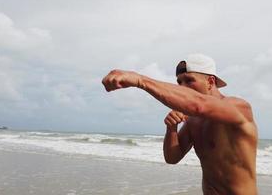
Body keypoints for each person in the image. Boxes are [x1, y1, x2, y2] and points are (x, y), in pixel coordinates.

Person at [102, 54, 258, 195]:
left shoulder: (238, 108)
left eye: (189, 80)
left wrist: (140, 80)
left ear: (210, 82)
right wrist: (172, 129)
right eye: (179, 82)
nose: (182, 87)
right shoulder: (193, 120)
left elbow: (199, 105)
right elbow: (172, 158)